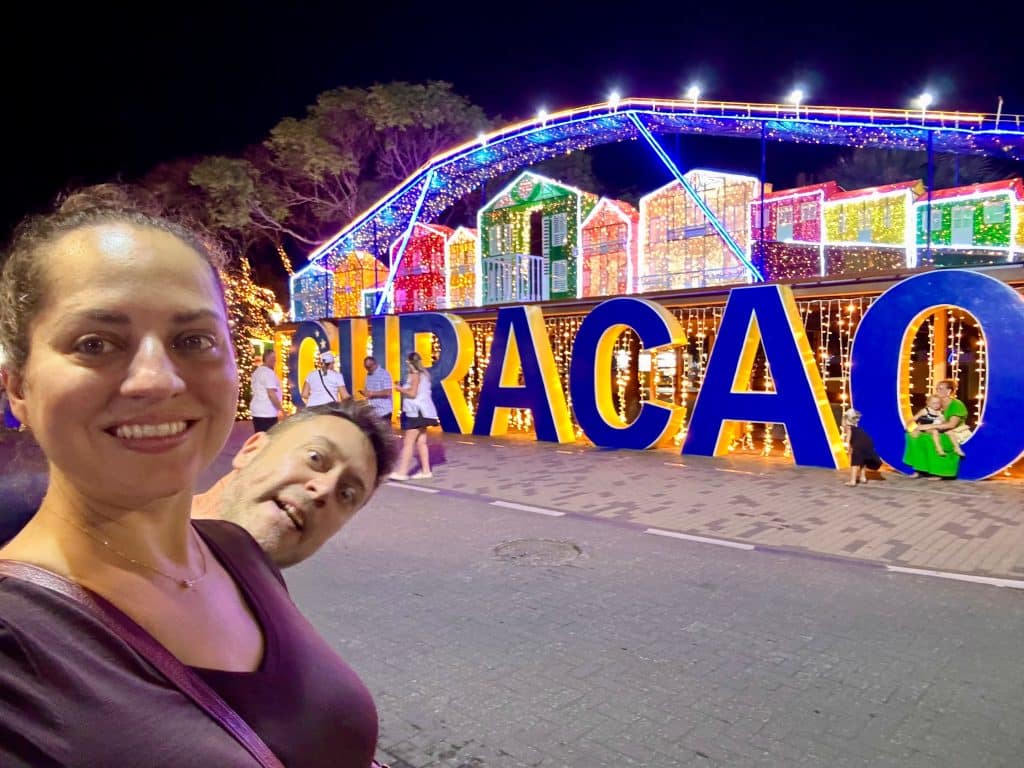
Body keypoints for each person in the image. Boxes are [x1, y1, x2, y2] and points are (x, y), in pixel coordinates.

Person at [0, 193, 384, 766]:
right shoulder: (15, 647)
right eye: (95, 344)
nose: (157, 380)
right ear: (18, 387)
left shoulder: (237, 553)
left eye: (193, 340)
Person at [194, 400, 395, 567]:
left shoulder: (260, 599)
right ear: (252, 451)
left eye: (347, 494)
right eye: (315, 457)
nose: (324, 489)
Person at [903, 378, 969, 479]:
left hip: (952, 432)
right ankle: (920, 469)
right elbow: (926, 417)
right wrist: (918, 427)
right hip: (937, 430)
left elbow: (951, 425)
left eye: (941, 388)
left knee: (929, 439)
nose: (938, 391)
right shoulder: (936, 402)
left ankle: (940, 472)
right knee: (912, 436)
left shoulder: (956, 404)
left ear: (949, 391)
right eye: (937, 388)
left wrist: (929, 426)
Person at [390, 351, 440, 481]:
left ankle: (402, 472)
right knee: (421, 442)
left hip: (417, 413)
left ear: (409, 362)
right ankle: (426, 471)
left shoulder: (415, 374)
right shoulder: (424, 374)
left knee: (408, 442)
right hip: (424, 412)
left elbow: (413, 394)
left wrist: (399, 388)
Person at [842, 408, 882, 486]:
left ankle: (852, 481)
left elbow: (848, 439)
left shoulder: (849, 427)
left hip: (859, 445)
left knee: (854, 463)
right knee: (863, 461)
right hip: (868, 444)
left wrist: (847, 447)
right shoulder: (857, 428)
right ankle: (863, 478)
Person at [249, 348, 282, 433]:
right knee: (269, 437)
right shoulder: (268, 373)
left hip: (258, 410)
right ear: (266, 358)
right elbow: (271, 394)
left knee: (260, 436)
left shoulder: (256, 372)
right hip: (267, 411)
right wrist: (281, 409)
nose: (275, 361)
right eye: (273, 358)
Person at [358, 355, 394, 424]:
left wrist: (371, 393)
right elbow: (368, 390)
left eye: (369, 367)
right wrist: (364, 393)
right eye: (366, 367)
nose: (367, 369)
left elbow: (388, 392)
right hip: (373, 412)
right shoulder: (368, 375)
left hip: (383, 411)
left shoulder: (384, 374)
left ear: (375, 364)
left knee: (383, 431)